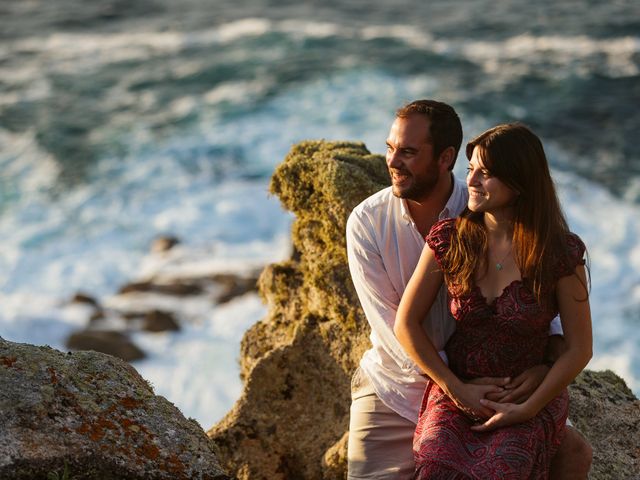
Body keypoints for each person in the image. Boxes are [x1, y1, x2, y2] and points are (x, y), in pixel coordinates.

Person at [346, 100, 592, 479]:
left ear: (444, 158)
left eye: (408, 152)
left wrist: (539, 377)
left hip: (509, 391)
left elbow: (567, 336)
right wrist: (458, 387)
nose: (393, 162)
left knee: (512, 464)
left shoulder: (542, 243)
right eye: (390, 149)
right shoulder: (389, 226)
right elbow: (398, 327)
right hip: (404, 383)